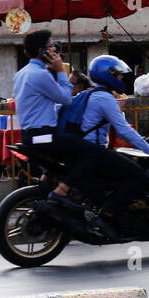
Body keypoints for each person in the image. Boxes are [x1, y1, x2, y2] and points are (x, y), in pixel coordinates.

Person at [12, 29, 116, 238]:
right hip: (43, 136)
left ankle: (50, 185)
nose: (54, 49)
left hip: (29, 135)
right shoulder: (40, 74)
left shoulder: (21, 73)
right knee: (94, 153)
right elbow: (65, 98)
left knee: (72, 154)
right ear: (42, 51)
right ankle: (63, 190)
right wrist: (60, 70)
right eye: (51, 46)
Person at [78, 54, 149, 228]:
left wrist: (145, 141)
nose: (121, 78)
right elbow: (124, 130)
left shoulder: (92, 93)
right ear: (108, 75)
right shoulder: (105, 98)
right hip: (93, 151)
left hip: (86, 150)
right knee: (137, 175)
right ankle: (107, 215)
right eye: (118, 75)